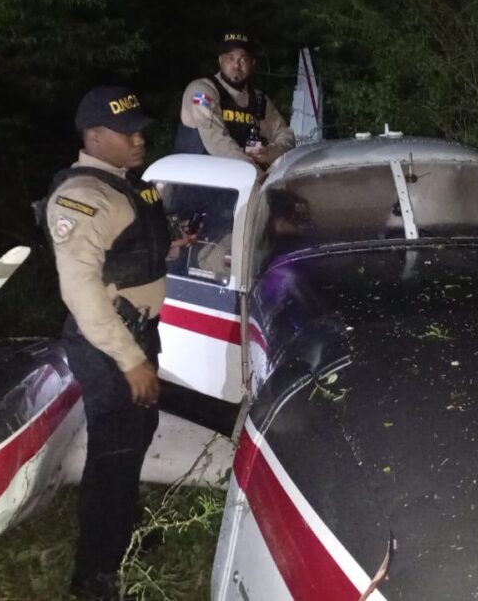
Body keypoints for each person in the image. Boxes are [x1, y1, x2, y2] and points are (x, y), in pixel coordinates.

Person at [45, 86, 171, 601]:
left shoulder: (122, 185)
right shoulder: (84, 198)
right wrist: (130, 360)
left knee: (138, 432)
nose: (139, 139)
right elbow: (80, 291)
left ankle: (123, 528)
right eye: (127, 132)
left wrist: (173, 242)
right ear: (93, 136)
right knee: (113, 451)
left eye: (140, 129)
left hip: (136, 335)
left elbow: (130, 249)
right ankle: (94, 575)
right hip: (109, 345)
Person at [174, 31, 295, 171]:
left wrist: (269, 152)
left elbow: (286, 135)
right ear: (220, 60)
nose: (236, 65)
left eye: (243, 59)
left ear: (252, 63)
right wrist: (256, 173)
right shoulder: (201, 92)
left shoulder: (259, 100)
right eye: (230, 58)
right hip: (195, 177)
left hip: (241, 177)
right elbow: (216, 141)